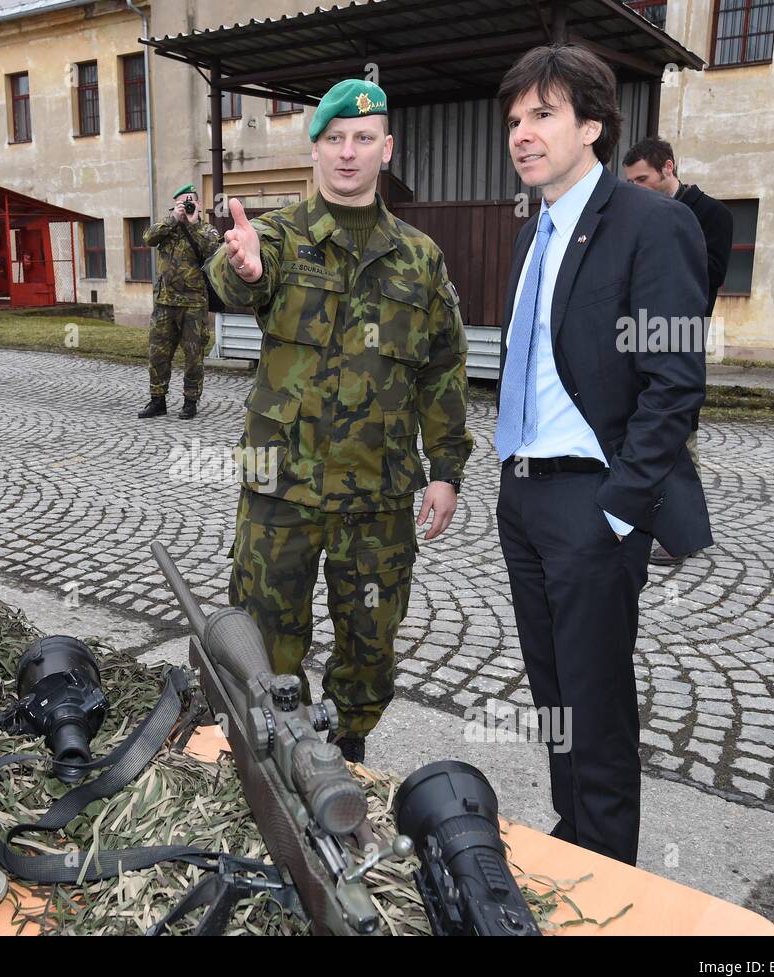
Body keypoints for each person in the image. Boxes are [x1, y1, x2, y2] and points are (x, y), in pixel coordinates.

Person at [207, 79, 471, 763]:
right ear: (315, 149)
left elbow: (443, 367)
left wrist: (446, 471)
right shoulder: (279, 236)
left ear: (387, 148)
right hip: (280, 493)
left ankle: (345, 756)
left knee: (370, 642)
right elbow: (238, 275)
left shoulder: (420, 258)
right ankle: (267, 759)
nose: (347, 153)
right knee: (265, 639)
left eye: (362, 139)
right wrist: (243, 268)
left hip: (377, 498)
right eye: (333, 139)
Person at [494, 45, 711, 865]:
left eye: (542, 115)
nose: (522, 133)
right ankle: (574, 830)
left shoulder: (654, 223)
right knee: (552, 691)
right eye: (514, 119)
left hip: (593, 505)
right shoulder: (534, 233)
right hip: (523, 497)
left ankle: (610, 861)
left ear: (592, 125)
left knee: (596, 699)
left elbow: (675, 383)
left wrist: (620, 508)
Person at [623, 137, 733, 566]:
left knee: (679, 431)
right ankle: (642, 513)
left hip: (684, 332)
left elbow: (712, 274)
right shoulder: (638, 214)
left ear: (668, 167)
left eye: (644, 179)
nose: (638, 188)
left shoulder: (713, 214)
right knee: (640, 424)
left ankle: (680, 531)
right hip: (636, 332)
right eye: (631, 181)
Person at [138, 184, 221, 420]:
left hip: (193, 303)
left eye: (190, 202)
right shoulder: (167, 228)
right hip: (165, 302)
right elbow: (148, 237)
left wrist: (193, 224)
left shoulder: (205, 229)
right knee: (158, 354)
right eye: (181, 203)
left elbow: (214, 250)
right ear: (175, 205)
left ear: (197, 203)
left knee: (193, 356)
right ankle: (157, 400)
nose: (186, 206)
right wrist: (174, 218)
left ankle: (190, 402)